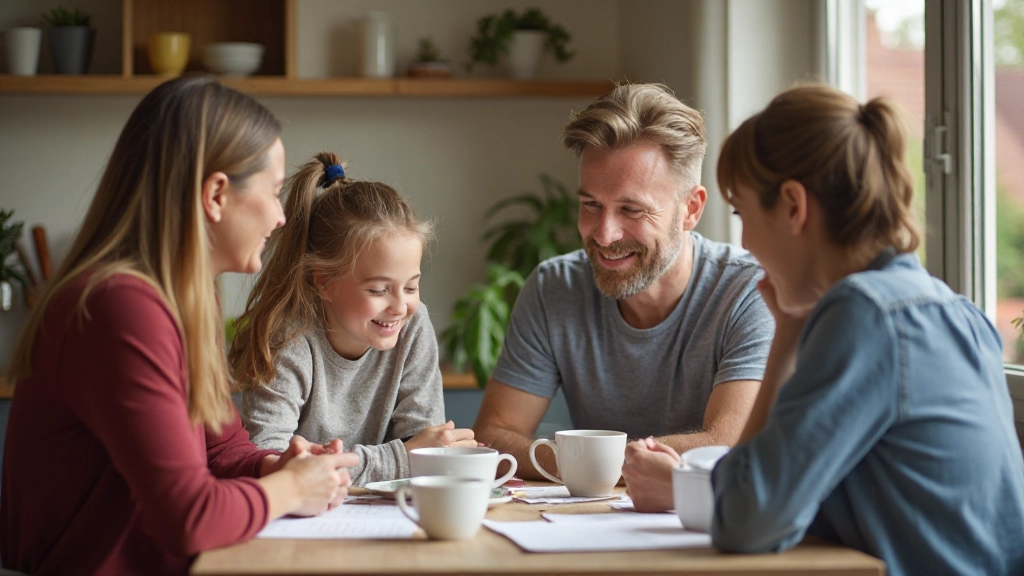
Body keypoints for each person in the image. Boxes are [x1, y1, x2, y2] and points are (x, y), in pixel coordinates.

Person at [626, 84, 1024, 575]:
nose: (744, 241)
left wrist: (786, 341)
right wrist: (789, 331)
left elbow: (745, 521)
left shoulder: (864, 316)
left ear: (794, 205)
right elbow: (768, 492)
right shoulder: (955, 311)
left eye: (741, 212)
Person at [1, 77, 359, 576]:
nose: (280, 218)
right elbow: (189, 517)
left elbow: (222, 445)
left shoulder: (181, 298)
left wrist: (274, 467)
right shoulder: (120, 308)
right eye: (275, 192)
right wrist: (292, 490)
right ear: (215, 194)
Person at [473, 83, 775, 480]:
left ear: (691, 209)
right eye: (590, 205)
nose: (604, 234)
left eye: (631, 209)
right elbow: (493, 436)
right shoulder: (554, 288)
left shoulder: (750, 292)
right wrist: (605, 466)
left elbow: (729, 442)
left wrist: (589, 463)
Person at [231, 152, 476, 486]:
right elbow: (270, 461)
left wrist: (417, 456)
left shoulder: (413, 325)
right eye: (378, 290)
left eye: (411, 286)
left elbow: (426, 450)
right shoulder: (287, 338)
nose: (400, 306)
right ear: (324, 282)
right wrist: (400, 459)